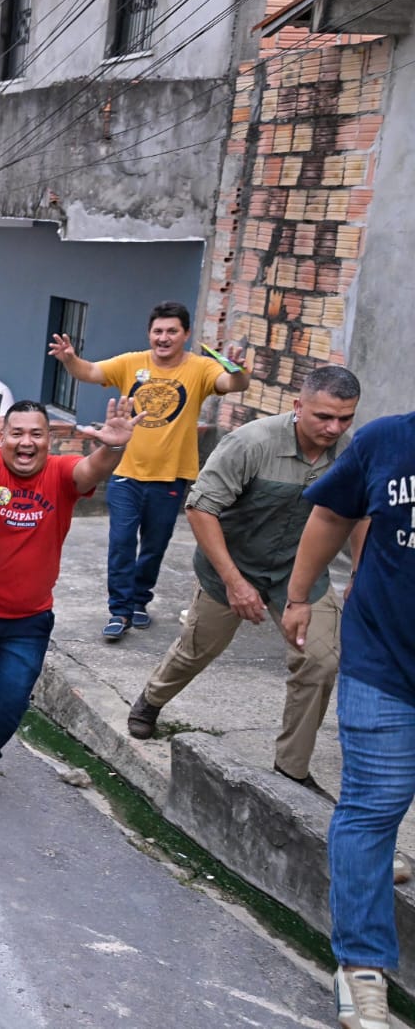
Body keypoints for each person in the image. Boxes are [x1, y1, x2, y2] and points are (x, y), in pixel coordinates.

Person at [126, 367, 361, 794]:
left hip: (300, 572)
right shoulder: (250, 443)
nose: (334, 428)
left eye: (345, 419)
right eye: (324, 416)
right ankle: (152, 699)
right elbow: (200, 509)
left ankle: (290, 770)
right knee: (197, 649)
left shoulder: (350, 452)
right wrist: (235, 583)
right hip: (230, 566)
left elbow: (360, 513)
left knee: (320, 662)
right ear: (297, 407)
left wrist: (360, 571)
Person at [281, 409, 415, 1029]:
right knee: (373, 804)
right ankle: (361, 969)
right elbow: (333, 515)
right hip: (384, 659)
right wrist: (300, 595)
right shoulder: (387, 440)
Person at [0, 398, 141, 798]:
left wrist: (113, 447)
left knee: (11, 700)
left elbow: (91, 470)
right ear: (3, 437)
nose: (26, 442)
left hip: (27, 621)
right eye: (17, 433)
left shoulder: (62, 472)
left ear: (50, 439)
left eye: (36, 433)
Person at [48, 301, 251, 640]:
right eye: (158, 331)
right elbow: (90, 372)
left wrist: (239, 371)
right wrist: (69, 358)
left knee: (155, 545)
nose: (164, 337)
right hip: (126, 471)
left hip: (171, 475)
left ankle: (140, 600)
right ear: (149, 334)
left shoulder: (200, 368)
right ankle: (120, 611)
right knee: (122, 542)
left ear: (185, 334)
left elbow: (234, 385)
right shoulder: (131, 362)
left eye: (172, 331)